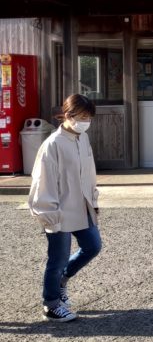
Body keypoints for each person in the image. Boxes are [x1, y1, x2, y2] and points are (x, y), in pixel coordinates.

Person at [28, 94, 101, 322]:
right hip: (58, 211)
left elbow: (89, 174)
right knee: (57, 259)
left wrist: (94, 202)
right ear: (68, 116)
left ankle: (62, 281)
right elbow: (42, 183)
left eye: (89, 117)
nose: (86, 121)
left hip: (82, 207)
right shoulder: (52, 145)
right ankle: (50, 304)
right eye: (83, 117)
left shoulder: (82, 138)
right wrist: (49, 216)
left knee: (93, 245)